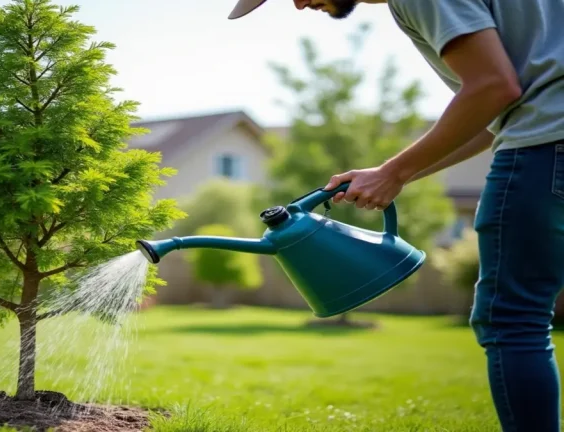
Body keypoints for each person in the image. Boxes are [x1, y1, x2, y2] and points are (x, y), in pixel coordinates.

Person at [228, 1, 564, 431]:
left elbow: (495, 87)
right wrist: (393, 175)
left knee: (513, 319)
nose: (297, 3)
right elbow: (494, 115)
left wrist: (394, 172)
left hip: (543, 149)